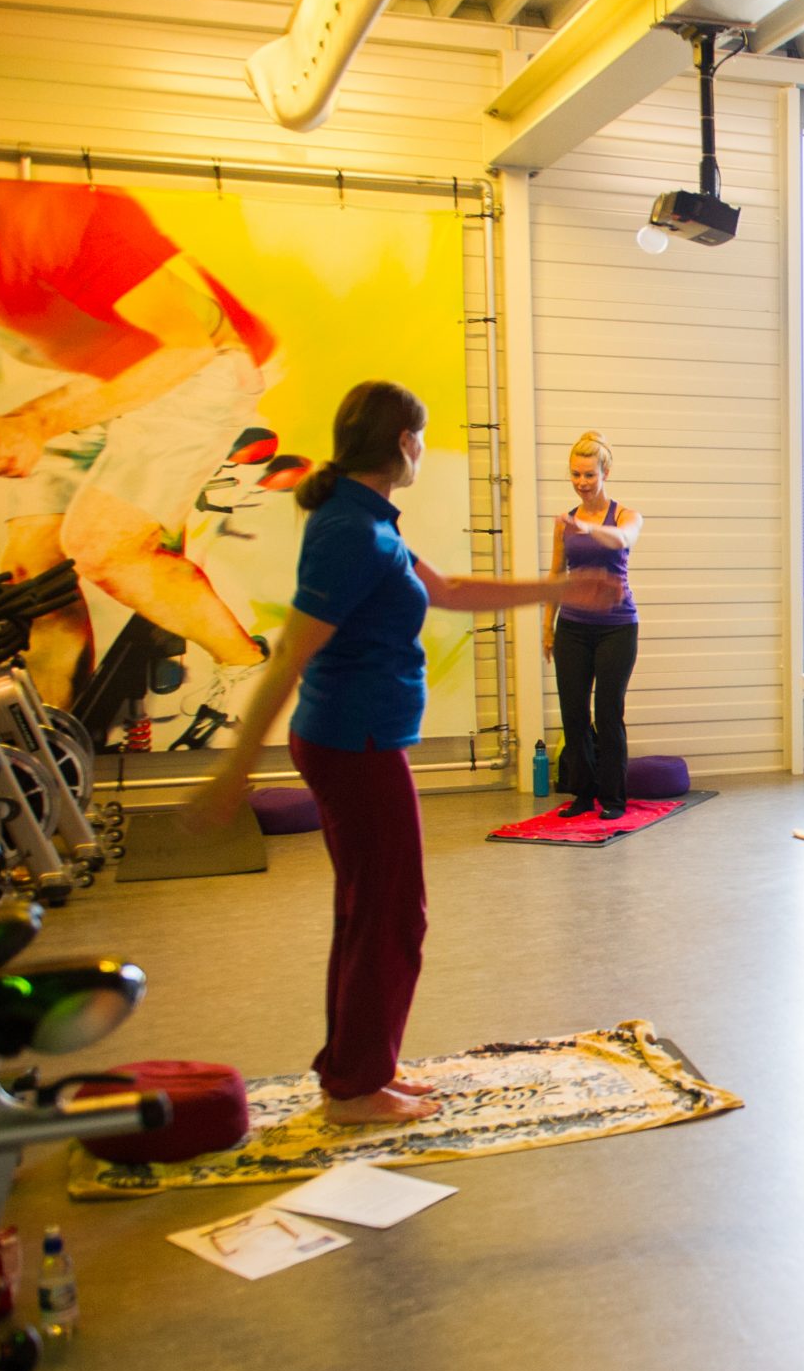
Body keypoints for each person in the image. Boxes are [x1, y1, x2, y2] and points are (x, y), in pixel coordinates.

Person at [189, 383, 615, 1126]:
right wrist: (234, 769)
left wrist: (557, 587)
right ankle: (357, 1088)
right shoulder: (349, 530)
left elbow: (446, 589)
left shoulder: (369, 520)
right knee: (391, 915)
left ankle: (356, 1072)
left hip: (361, 739)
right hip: (351, 743)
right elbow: (291, 654)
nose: (421, 446)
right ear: (401, 443)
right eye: (419, 435)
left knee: (372, 910)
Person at [0, 171, 278, 716]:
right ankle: (51, 734)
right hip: (83, 373)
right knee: (35, 578)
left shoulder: (40, 212)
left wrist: (35, 423)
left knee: (105, 549)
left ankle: (251, 679)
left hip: (192, 365)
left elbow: (186, 347)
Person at [541, 431, 642, 820]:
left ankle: (613, 799)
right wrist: (548, 627)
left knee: (608, 713)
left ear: (605, 473)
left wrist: (589, 529)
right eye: (575, 474)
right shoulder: (564, 522)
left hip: (617, 627)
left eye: (589, 475)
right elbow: (555, 575)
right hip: (573, 628)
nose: (581, 483)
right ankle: (583, 795)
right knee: (574, 714)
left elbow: (622, 539)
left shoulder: (626, 515)